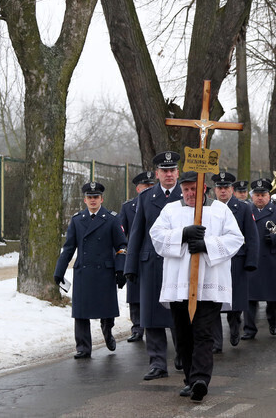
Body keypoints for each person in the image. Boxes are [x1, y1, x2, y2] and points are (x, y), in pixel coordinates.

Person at [150, 171, 243, 402]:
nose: (190, 193)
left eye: (194, 188)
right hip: (179, 285)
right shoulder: (171, 210)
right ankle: (190, 379)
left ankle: (201, 379)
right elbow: (157, 236)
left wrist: (206, 245)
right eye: (186, 189)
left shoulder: (220, 210)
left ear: (204, 189)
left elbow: (236, 238)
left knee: (203, 332)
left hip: (209, 284)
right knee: (183, 334)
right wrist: (183, 234)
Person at [124, 151, 182, 381]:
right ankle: (157, 362)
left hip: (178, 263)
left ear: (177, 172)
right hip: (151, 265)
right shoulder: (146, 197)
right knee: (152, 316)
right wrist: (131, 266)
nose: (168, 174)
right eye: (164, 171)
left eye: (172, 170)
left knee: (178, 313)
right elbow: (136, 233)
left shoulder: (187, 195)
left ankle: (182, 354)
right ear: (157, 173)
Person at [54, 181, 128, 359]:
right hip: (83, 271)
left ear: (101, 199)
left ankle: (107, 330)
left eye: (96, 197)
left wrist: (120, 270)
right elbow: (69, 248)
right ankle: (83, 347)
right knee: (81, 312)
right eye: (89, 197)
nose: (93, 200)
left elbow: (121, 247)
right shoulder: (77, 220)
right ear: (85, 200)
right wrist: (59, 271)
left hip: (104, 271)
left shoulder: (112, 219)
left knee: (106, 310)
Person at [210, 171, 259, 351]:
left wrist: (251, 261)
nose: (223, 191)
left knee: (234, 301)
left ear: (232, 189)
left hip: (236, 260)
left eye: (226, 188)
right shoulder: (209, 207)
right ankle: (216, 342)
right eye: (220, 188)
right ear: (215, 190)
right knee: (213, 301)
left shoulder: (244, 207)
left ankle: (234, 325)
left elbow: (252, 236)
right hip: (214, 260)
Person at [243, 178, 276, 339]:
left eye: (263, 194)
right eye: (257, 194)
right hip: (251, 258)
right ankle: (249, 329)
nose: (260, 198)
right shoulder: (246, 210)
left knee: (272, 298)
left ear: (269, 195)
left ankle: (273, 320)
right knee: (249, 296)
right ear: (252, 196)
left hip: (270, 257)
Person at [119, 171, 156, 342]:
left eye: (151, 185)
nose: (148, 189)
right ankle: (137, 327)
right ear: (138, 188)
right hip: (135, 254)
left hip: (154, 253)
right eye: (145, 186)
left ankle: (155, 323)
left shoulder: (158, 203)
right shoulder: (128, 207)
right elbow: (121, 234)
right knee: (134, 294)